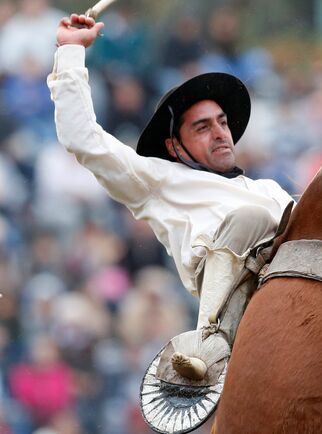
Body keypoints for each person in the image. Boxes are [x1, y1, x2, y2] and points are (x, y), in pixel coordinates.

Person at [49, 13, 294, 431]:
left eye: (222, 122)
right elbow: (82, 138)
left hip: (295, 291)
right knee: (250, 218)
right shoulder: (160, 181)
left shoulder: (272, 189)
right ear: (173, 145)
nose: (220, 132)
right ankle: (209, 347)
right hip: (244, 308)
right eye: (203, 127)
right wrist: (71, 51)